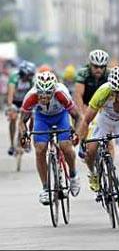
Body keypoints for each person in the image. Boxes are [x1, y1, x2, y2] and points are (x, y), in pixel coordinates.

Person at [78, 66, 119, 216]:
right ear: (111, 89)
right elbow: (86, 120)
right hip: (104, 120)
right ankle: (93, 174)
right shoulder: (103, 92)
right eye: (116, 92)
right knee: (91, 150)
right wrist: (83, 141)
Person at [19, 71, 82, 205]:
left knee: (65, 146)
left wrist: (76, 133)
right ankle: (46, 188)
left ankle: (73, 174)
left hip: (61, 116)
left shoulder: (61, 94)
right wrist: (24, 135)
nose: (44, 96)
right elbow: (22, 121)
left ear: (54, 90)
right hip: (42, 118)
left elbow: (77, 117)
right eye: (41, 93)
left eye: (48, 93)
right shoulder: (31, 96)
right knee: (40, 150)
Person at [6, 60, 36, 155]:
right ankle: (12, 145)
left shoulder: (31, 80)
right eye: (29, 74)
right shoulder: (14, 78)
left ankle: (26, 139)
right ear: (24, 73)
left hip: (25, 102)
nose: (30, 77)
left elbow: (33, 94)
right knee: (13, 118)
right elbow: (10, 95)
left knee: (32, 118)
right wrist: (10, 107)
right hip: (15, 101)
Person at [74, 49, 110, 117]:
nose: (99, 70)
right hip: (85, 104)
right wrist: (81, 114)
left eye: (102, 67)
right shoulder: (83, 73)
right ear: (90, 65)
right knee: (80, 120)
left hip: (103, 107)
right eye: (96, 66)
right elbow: (78, 95)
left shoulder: (110, 75)